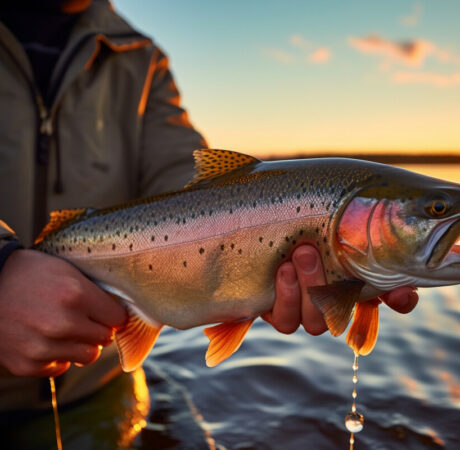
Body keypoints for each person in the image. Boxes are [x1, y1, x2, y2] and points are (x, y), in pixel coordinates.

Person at [0, 0, 418, 425]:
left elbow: (182, 178)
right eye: (435, 210)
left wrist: (259, 243)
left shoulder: (142, 57)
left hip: (97, 381)